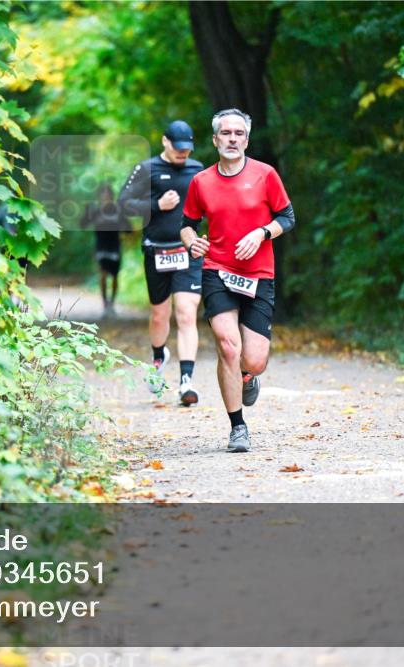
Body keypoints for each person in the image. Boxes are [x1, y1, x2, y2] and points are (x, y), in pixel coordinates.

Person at [180, 108, 295, 452]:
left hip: (258, 274)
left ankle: (248, 376)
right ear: (215, 140)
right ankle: (237, 427)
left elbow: (287, 217)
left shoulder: (265, 175)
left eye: (238, 133)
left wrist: (261, 233)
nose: (232, 139)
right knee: (228, 346)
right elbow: (186, 224)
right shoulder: (201, 181)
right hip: (217, 270)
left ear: (247, 139)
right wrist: (191, 242)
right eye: (225, 133)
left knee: (254, 360)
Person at [118, 120, 204, 406]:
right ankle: (159, 355)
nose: (183, 155)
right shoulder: (147, 169)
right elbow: (123, 202)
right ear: (165, 142)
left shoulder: (198, 169)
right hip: (157, 250)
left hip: (188, 251)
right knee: (159, 314)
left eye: (187, 150)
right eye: (179, 149)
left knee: (186, 312)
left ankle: (186, 382)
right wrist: (157, 205)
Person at [80, 183, 128, 318]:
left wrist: (125, 235)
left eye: (108, 195)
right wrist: (87, 213)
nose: (105, 198)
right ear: (100, 197)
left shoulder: (118, 211)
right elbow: (83, 224)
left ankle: (112, 304)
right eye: (103, 195)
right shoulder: (95, 211)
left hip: (115, 247)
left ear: (111, 197)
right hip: (101, 248)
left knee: (114, 276)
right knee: (102, 274)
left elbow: (128, 228)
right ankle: (105, 305)